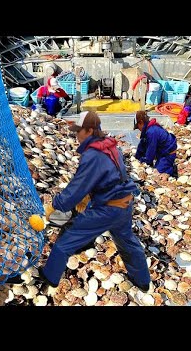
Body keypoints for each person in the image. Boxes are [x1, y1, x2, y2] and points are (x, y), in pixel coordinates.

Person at [40, 110, 151, 291]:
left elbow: (76, 189)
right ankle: (143, 281)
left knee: (65, 242)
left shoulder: (93, 155)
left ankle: (50, 276)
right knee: (127, 242)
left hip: (107, 209)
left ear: (90, 131)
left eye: (79, 131)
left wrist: (54, 205)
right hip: (125, 203)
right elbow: (107, 177)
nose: (77, 135)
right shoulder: (110, 146)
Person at [134, 110, 178, 178]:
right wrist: (137, 156)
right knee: (156, 166)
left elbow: (151, 151)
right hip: (161, 151)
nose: (138, 129)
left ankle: (171, 170)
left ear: (141, 122)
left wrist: (145, 161)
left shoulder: (152, 132)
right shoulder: (148, 129)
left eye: (138, 127)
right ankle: (165, 166)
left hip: (168, 154)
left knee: (157, 173)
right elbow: (142, 144)